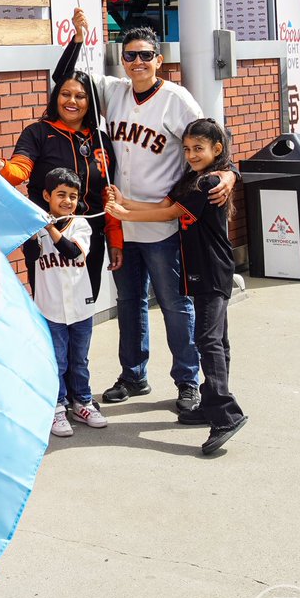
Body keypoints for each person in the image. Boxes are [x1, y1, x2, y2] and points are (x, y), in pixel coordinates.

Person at [61, 12, 237, 413]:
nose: (137, 62)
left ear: (159, 59)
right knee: (129, 302)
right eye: (129, 56)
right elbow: (67, 79)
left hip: (164, 220)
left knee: (176, 306)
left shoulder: (176, 98)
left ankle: (187, 380)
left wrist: (230, 172)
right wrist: (78, 37)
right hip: (121, 221)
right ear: (121, 60)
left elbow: (214, 139)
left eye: (145, 55)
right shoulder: (114, 91)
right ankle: (134, 374)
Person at [106, 118, 248, 455]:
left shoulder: (209, 182)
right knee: (218, 339)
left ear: (217, 149)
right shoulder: (190, 180)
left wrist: (124, 216)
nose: (191, 154)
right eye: (186, 149)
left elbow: (167, 215)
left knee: (208, 339)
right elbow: (159, 206)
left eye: (198, 148)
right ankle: (211, 404)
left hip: (213, 271)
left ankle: (226, 415)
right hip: (197, 270)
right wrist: (125, 201)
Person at [0, 66, 123, 304]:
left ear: (90, 102)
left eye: (80, 96)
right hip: (44, 237)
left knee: (83, 311)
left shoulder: (102, 140)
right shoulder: (37, 132)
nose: (72, 101)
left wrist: (115, 240)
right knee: (49, 311)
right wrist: (2, 168)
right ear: (55, 97)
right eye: (65, 94)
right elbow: (20, 170)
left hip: (86, 240)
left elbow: (107, 195)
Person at [29, 168, 108, 438]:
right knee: (57, 361)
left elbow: (73, 251)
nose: (67, 201)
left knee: (79, 361)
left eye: (72, 196)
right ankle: (57, 406)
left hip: (80, 307)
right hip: (50, 309)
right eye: (60, 194)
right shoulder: (34, 229)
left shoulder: (81, 225)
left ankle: (83, 403)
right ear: (46, 195)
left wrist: (48, 226)